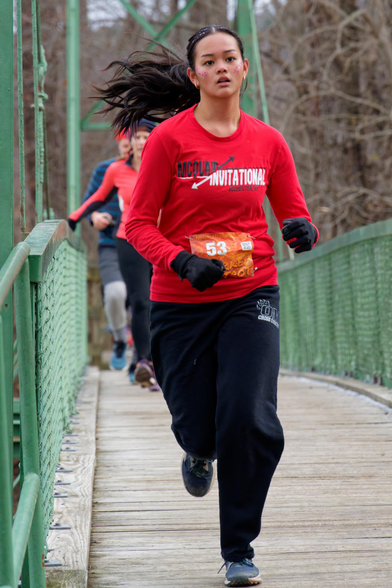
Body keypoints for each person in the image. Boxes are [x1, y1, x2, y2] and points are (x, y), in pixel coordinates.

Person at [86, 25, 319, 586]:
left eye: (230, 58)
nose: (221, 67)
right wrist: (180, 262)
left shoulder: (268, 141)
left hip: (251, 290)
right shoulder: (169, 140)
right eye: (208, 61)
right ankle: (197, 450)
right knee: (199, 425)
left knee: (250, 417)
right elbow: (137, 225)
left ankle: (238, 546)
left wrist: (300, 229)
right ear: (193, 76)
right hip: (180, 300)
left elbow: (292, 210)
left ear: (243, 70)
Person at [68, 121, 160, 392]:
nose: (142, 142)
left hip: (163, 241)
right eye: (138, 137)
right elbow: (98, 196)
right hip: (128, 240)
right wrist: (75, 217)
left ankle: (164, 362)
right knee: (141, 302)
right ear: (130, 143)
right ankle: (144, 361)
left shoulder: (166, 165)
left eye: (147, 137)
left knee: (162, 303)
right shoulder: (116, 170)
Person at [83, 132, 130, 371]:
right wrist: (95, 216)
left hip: (145, 246)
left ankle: (145, 361)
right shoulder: (105, 169)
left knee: (148, 303)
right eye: (127, 143)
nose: (133, 147)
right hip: (111, 244)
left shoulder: (155, 165)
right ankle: (120, 339)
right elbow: (89, 203)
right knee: (114, 293)